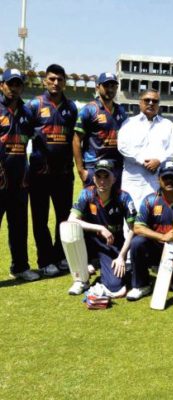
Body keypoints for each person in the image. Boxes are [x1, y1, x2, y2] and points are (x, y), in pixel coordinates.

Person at [27, 64, 78, 277]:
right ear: (45, 80)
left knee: (64, 219)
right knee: (40, 219)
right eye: (52, 79)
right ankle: (45, 260)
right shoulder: (34, 105)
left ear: (65, 82)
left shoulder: (71, 107)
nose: (56, 83)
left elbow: (76, 138)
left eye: (59, 79)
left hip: (64, 174)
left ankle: (60, 256)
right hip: (39, 174)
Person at [127, 160, 173, 301]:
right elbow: (137, 227)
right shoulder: (150, 200)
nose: (169, 181)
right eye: (165, 177)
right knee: (137, 242)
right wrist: (162, 237)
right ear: (158, 179)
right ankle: (141, 284)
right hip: (155, 251)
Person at [67, 159, 136, 296]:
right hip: (89, 242)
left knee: (116, 288)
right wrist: (99, 228)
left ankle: (108, 270)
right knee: (68, 230)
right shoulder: (86, 194)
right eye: (99, 176)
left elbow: (134, 229)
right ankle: (81, 279)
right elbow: (71, 220)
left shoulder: (124, 197)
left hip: (111, 246)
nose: (102, 181)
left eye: (106, 177)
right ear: (93, 178)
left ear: (114, 178)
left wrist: (121, 256)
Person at [0, 69, 40, 281]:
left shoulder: (26, 112)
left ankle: (20, 267)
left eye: (17, 84)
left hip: (19, 180)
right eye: (10, 84)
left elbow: (37, 138)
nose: (13, 88)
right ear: (2, 85)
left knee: (18, 226)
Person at [117, 88, 173, 209]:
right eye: (147, 100)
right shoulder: (129, 123)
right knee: (131, 212)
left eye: (154, 101)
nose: (151, 103)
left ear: (158, 105)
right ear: (140, 102)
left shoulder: (168, 125)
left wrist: (159, 161)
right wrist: (142, 161)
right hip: (134, 178)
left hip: (157, 178)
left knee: (155, 212)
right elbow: (122, 146)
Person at [73, 72, 128, 188]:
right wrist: (81, 171)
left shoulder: (121, 111)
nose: (110, 89)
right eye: (106, 85)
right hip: (94, 167)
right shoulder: (89, 110)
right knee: (93, 204)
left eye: (113, 86)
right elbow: (76, 140)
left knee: (115, 204)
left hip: (116, 168)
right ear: (98, 87)